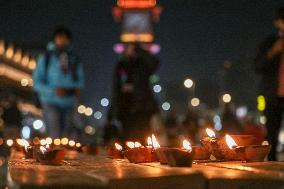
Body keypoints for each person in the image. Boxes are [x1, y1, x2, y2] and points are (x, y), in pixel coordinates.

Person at [33, 26, 84, 138]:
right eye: (59, 38)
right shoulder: (46, 58)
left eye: (65, 38)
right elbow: (36, 83)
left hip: (69, 103)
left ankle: (63, 155)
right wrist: (53, 91)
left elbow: (80, 82)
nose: (62, 41)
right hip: (50, 101)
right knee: (54, 134)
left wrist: (72, 90)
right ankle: (54, 155)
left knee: (67, 137)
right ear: (54, 39)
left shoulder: (74, 59)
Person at [111, 43, 160, 142]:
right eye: (128, 47)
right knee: (127, 136)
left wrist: (140, 50)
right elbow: (115, 86)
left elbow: (155, 62)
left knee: (143, 134)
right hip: (125, 106)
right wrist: (114, 109)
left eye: (132, 48)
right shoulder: (121, 65)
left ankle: (144, 155)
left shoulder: (142, 65)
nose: (130, 50)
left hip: (142, 106)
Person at [255, 7, 284, 160]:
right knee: (272, 133)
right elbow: (257, 66)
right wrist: (273, 51)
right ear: (277, 23)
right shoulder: (270, 42)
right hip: (273, 95)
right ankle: (272, 167)